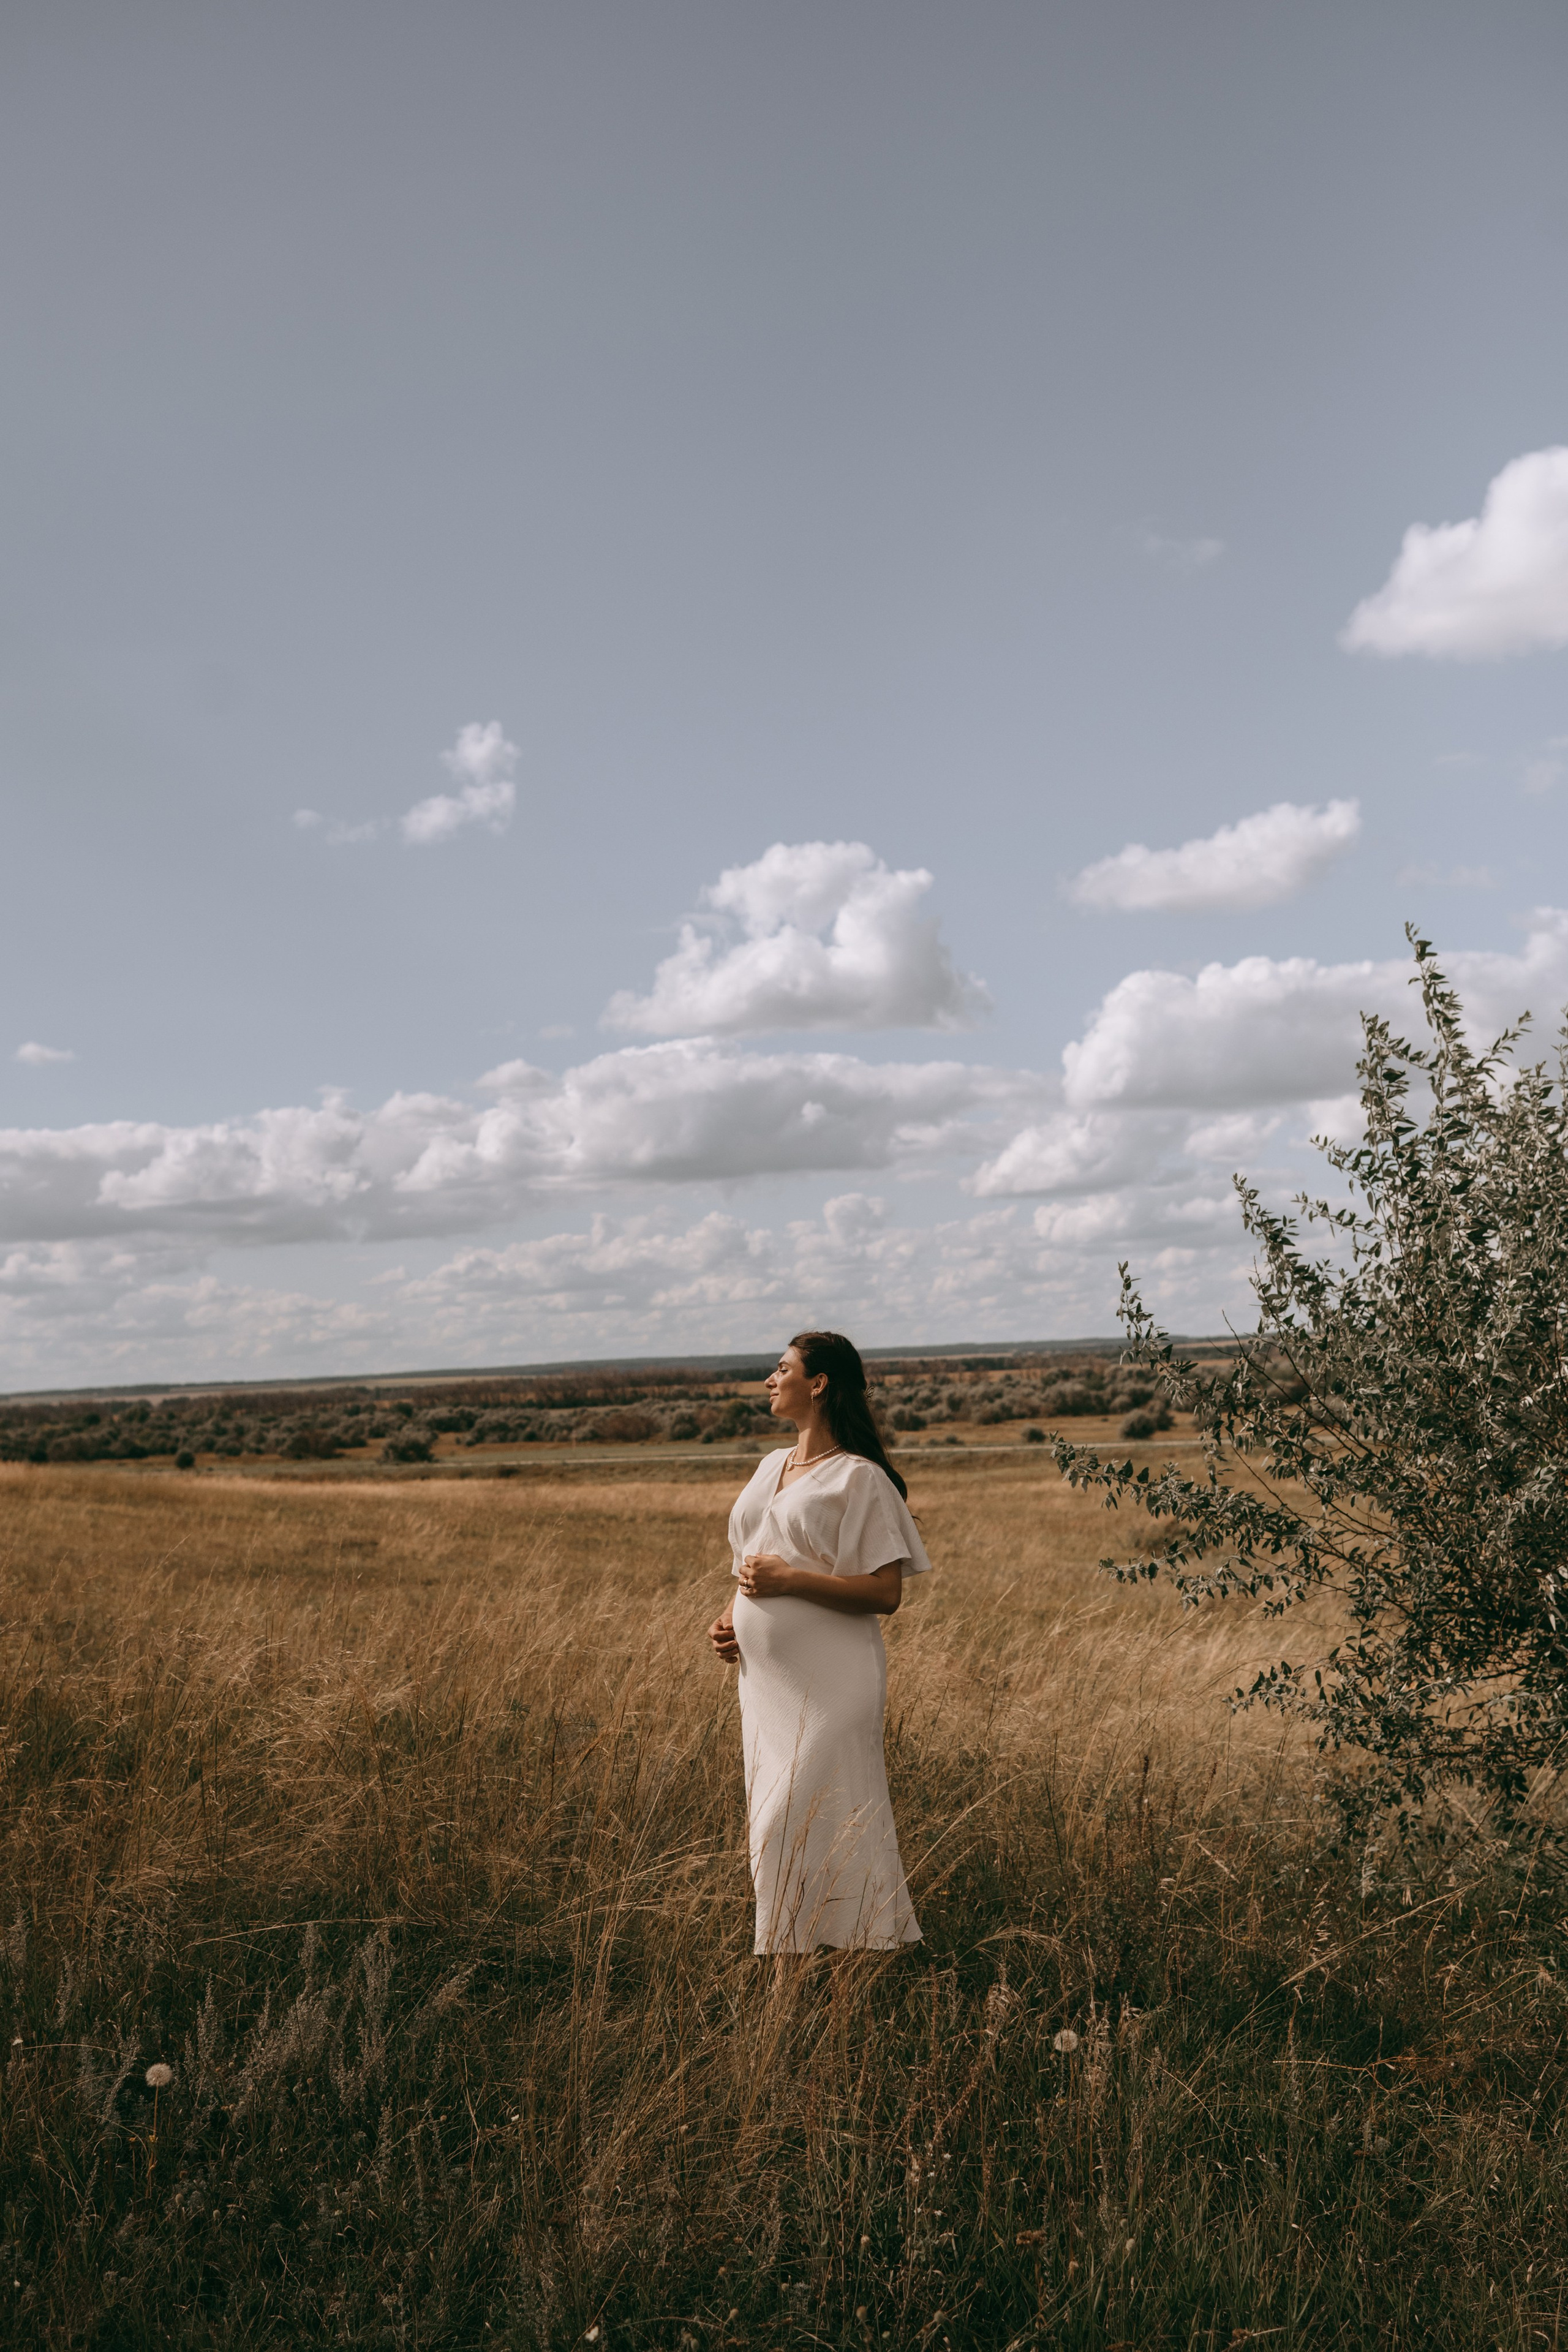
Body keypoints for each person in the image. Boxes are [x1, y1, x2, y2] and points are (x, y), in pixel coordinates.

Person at [707, 1330, 932, 1954]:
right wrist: (732, 1619)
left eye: (782, 1369)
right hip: (767, 1688)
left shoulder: (859, 1479)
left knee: (807, 1816)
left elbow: (885, 1593)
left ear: (820, 1383)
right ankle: (800, 1967)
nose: (769, 1380)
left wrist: (790, 1581)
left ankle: (861, 1944)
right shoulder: (768, 1467)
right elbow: (750, 1563)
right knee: (773, 1825)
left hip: (833, 1684)